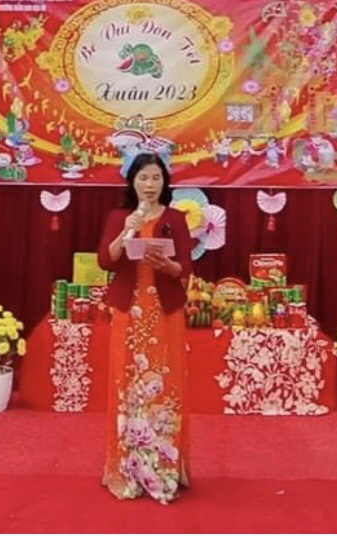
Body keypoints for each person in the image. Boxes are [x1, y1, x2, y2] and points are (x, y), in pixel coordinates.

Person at [97, 152, 194, 503]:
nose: (149, 185)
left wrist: (167, 265)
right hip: (129, 310)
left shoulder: (176, 218)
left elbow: (185, 267)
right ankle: (127, 467)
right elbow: (105, 260)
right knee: (127, 382)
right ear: (132, 182)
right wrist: (128, 231)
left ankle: (163, 468)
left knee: (165, 384)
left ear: (164, 182)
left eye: (155, 178)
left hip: (165, 312)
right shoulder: (119, 217)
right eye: (143, 178)